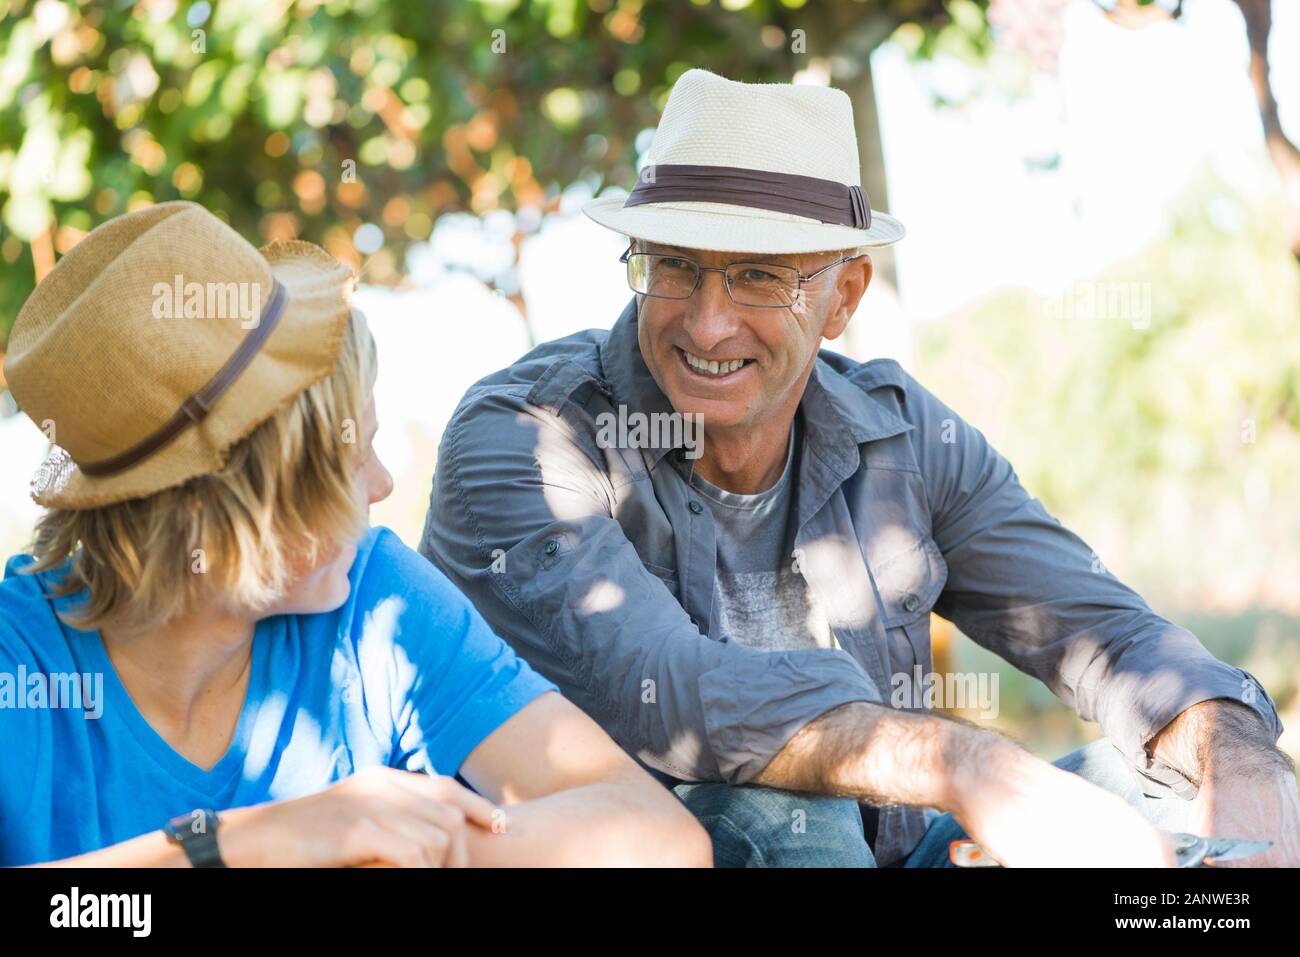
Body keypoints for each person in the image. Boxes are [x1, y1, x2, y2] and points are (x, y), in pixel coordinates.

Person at [419, 68, 1299, 867]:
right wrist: (963, 760)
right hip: (656, 853)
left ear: (843, 298)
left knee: (1178, 797)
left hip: (890, 855)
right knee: (791, 821)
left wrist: (1237, 754)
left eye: (760, 277)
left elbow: (1110, 637)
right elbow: (668, 693)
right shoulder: (526, 439)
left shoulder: (905, 434)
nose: (707, 323)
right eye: (675, 268)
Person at [0, 201, 711, 868]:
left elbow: (662, 838)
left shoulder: (377, 602)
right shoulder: (20, 667)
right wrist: (244, 843)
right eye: (351, 455)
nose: (382, 483)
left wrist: (392, 847)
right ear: (236, 504)